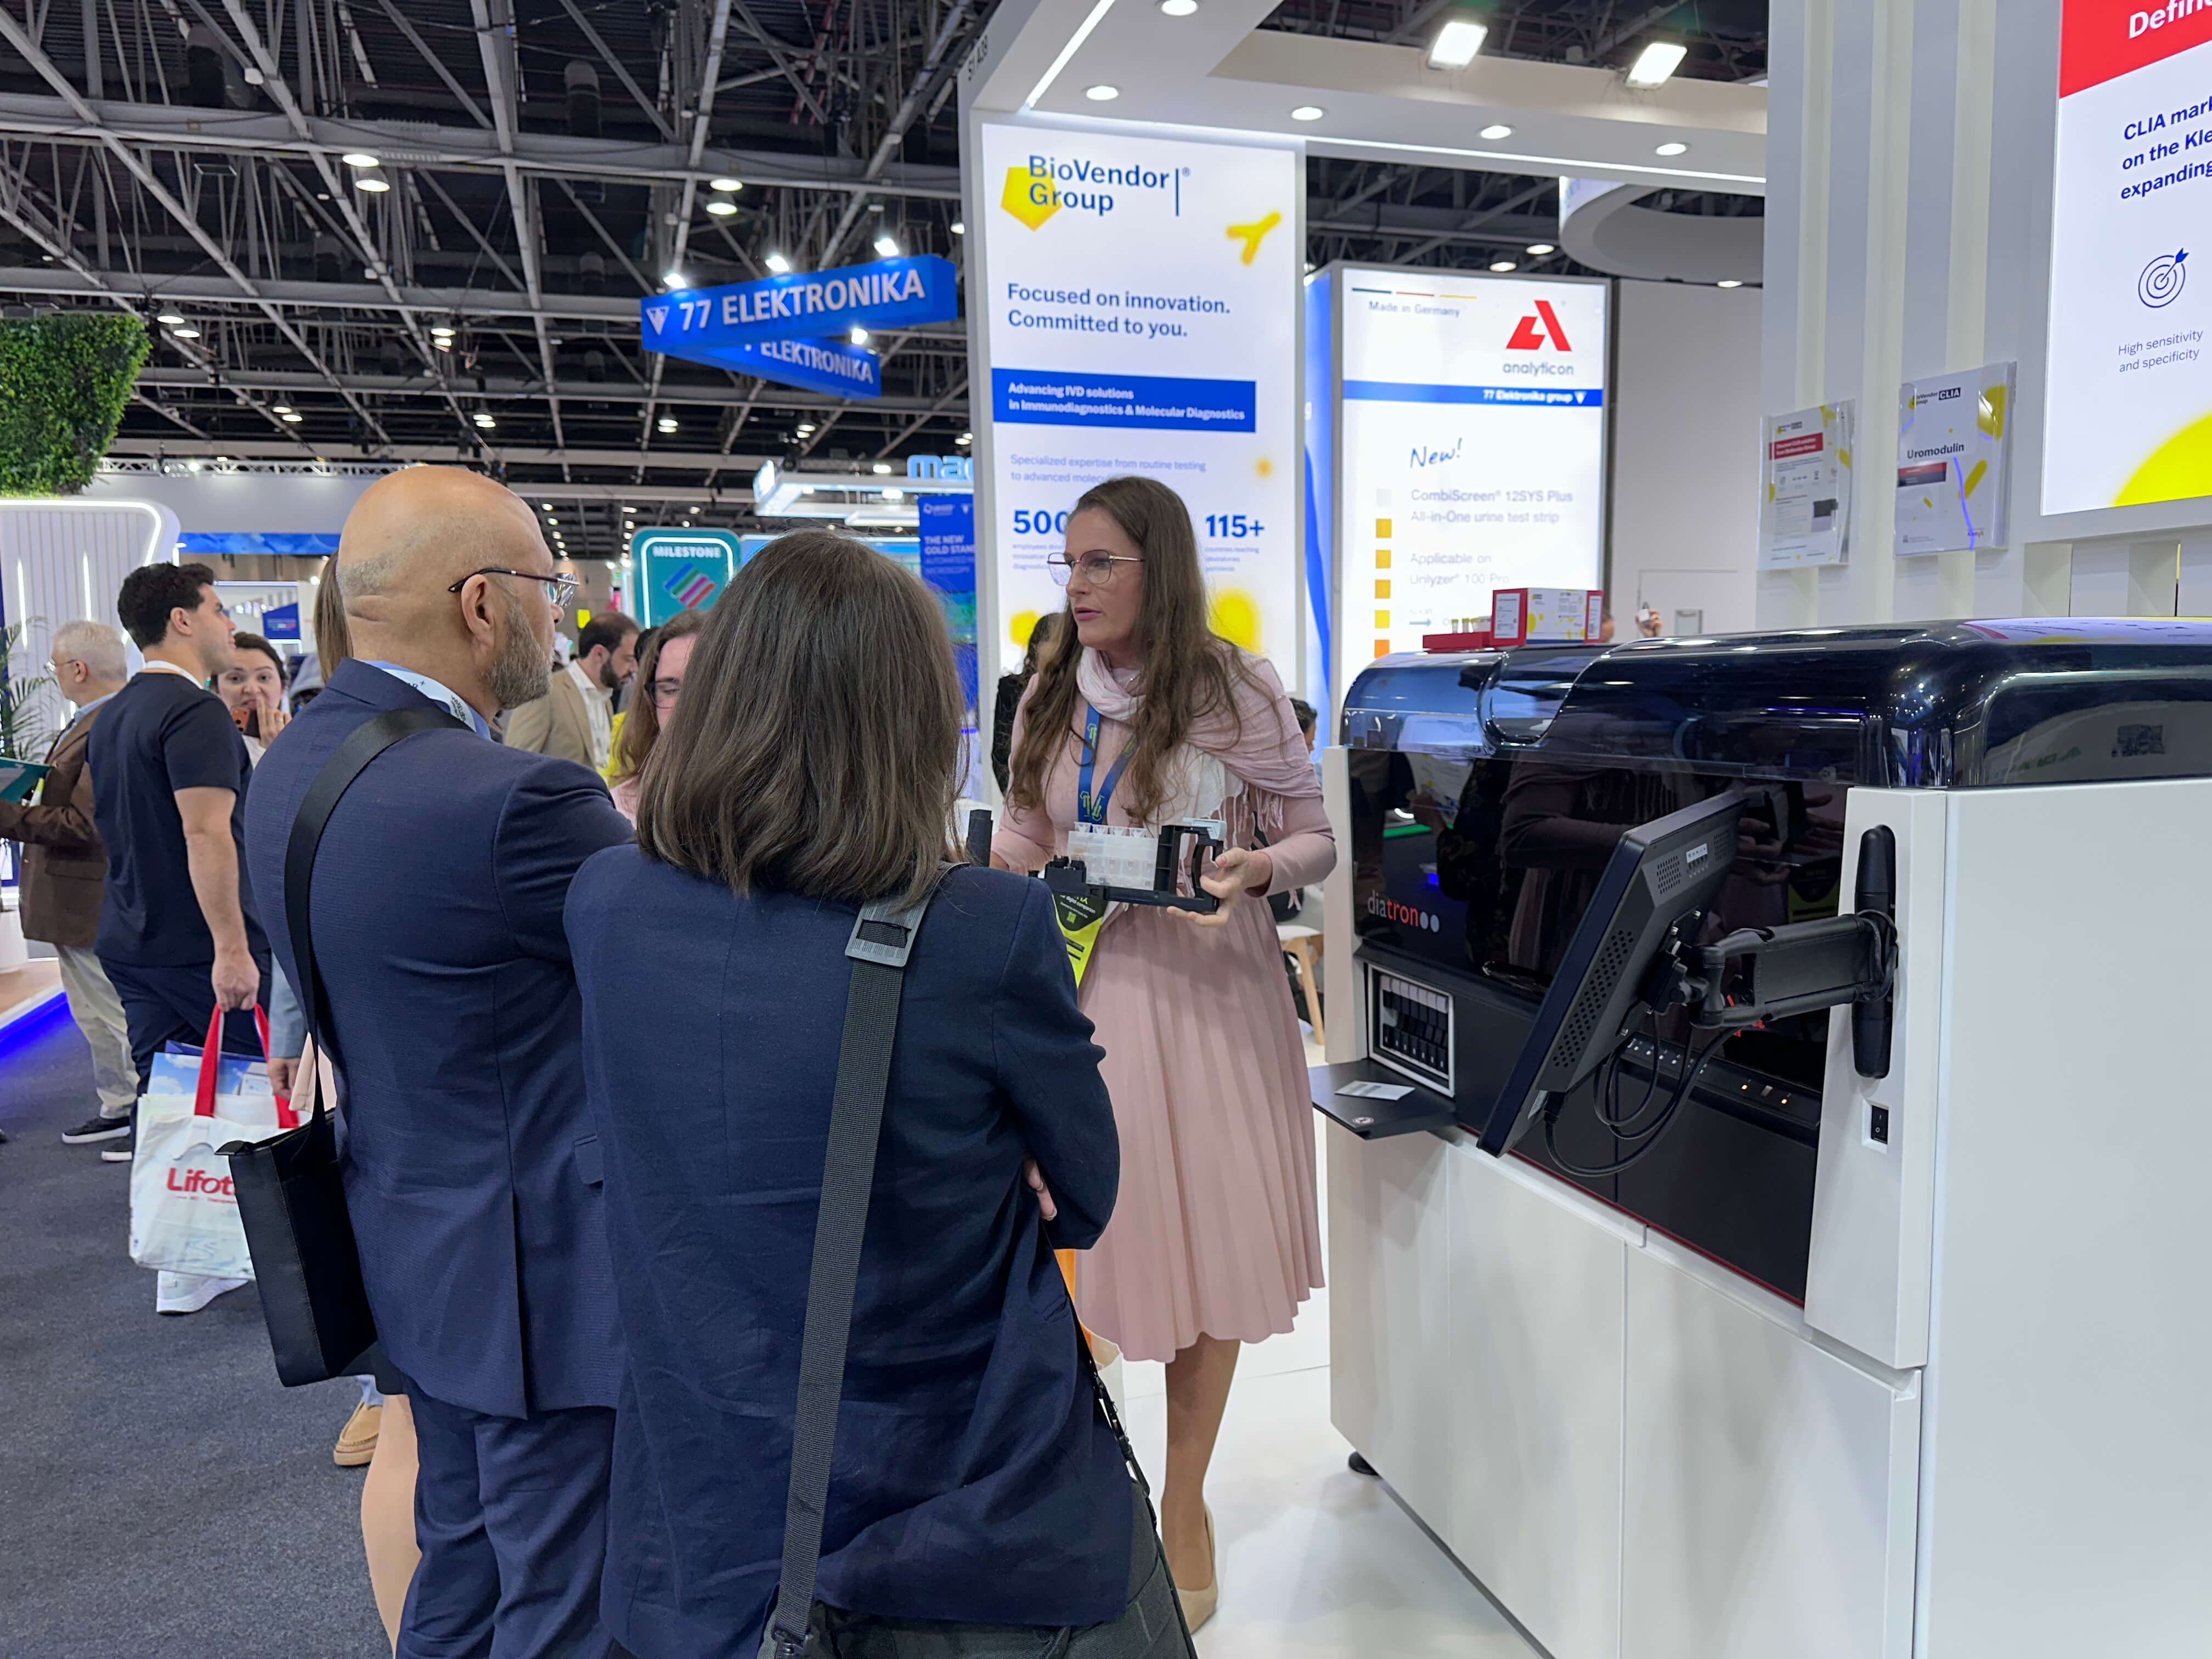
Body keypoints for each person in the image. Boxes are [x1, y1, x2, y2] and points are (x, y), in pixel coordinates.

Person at [567, 530, 1159, 1659]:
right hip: (951, 1497)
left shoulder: (604, 901)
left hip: (700, 1485)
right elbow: (1083, 1189)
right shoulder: (982, 928)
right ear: (913, 718)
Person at [243, 466, 632, 1659]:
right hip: (542, 1274)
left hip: (409, 1240)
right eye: (548, 587)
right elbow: (679, 981)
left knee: (461, 1566)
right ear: (480, 602)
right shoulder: (519, 800)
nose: (559, 613)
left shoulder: (290, 765)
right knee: (564, 1603)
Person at [995, 475, 1336, 1631]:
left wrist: (1260, 868)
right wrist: (987, 886)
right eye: (1069, 562)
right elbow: (1025, 834)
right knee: (1088, 1243)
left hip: (1211, 991)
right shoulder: (1053, 686)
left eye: (1101, 562)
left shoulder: (1237, 687)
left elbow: (1315, 835)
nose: (1076, 584)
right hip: (1085, 985)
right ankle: (1093, 1484)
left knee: (1208, 1253)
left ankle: (1182, 1501)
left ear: (1160, 567)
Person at [91, 562, 270, 1317]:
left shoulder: (115, 714)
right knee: (249, 1096)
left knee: (166, 1099)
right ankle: (251, 1251)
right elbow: (206, 832)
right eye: (219, 609)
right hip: (197, 947)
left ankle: (185, 1260)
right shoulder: (193, 712)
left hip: (133, 937)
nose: (229, 623)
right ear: (182, 620)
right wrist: (232, 947)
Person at [2, 622, 138, 1148]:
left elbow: (86, 824)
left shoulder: (104, 726)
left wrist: (9, 815)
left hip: (86, 895)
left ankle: (137, 1110)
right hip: (83, 895)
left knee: (107, 1010)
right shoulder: (101, 720)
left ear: (77, 670)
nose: (54, 676)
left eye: (55, 666)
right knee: (96, 1009)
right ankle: (124, 1104)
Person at [504, 612, 638, 771]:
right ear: (599, 654)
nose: (634, 669)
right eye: (628, 659)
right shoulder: (546, 692)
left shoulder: (605, 699)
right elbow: (516, 764)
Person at [605, 608, 703, 822]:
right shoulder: (622, 809)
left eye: (701, 687)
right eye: (670, 690)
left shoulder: (766, 801)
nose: (684, 706)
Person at [992, 611, 1060, 793]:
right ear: (1037, 646)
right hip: (1023, 791)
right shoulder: (1011, 688)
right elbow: (1000, 753)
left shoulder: (1078, 691)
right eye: (1052, 640)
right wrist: (1014, 794)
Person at [211, 631, 292, 759]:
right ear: (216, 690)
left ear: (282, 686)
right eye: (236, 679)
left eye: (264, 678)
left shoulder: (306, 740)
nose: (252, 690)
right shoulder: (208, 746)